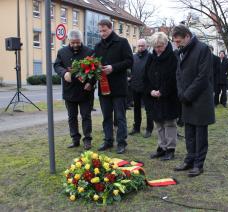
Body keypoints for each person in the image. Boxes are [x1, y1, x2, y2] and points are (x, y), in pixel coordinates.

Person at [173, 25, 215, 177]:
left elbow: (203, 76)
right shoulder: (181, 52)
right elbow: (178, 74)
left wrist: (187, 94)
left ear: (187, 36)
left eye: (179, 41)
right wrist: (180, 93)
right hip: (186, 98)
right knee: (189, 132)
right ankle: (189, 159)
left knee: (200, 134)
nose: (177, 45)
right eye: (175, 42)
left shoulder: (203, 49)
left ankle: (199, 164)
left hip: (200, 99)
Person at [94, 19, 133, 154]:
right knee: (106, 117)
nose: (102, 33)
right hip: (103, 88)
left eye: (104, 30)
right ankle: (108, 140)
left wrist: (113, 68)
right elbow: (94, 64)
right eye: (100, 31)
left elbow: (129, 61)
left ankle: (121, 142)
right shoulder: (98, 46)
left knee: (120, 117)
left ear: (111, 28)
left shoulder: (122, 42)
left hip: (119, 88)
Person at [54, 29, 94, 150]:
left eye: (77, 42)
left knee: (86, 116)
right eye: (73, 43)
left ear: (81, 40)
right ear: (68, 41)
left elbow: (95, 69)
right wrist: (64, 72)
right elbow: (57, 65)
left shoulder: (89, 51)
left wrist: (91, 83)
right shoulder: (62, 52)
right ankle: (75, 139)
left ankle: (87, 140)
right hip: (69, 90)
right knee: (72, 117)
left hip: (85, 91)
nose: (75, 45)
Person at [143, 32, 179, 160]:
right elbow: (145, 76)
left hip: (169, 97)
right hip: (154, 97)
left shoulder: (173, 57)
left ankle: (170, 148)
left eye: (161, 46)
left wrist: (162, 91)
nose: (158, 49)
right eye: (156, 46)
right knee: (158, 123)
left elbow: (173, 78)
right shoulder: (151, 57)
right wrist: (150, 91)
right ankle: (161, 147)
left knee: (169, 123)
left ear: (166, 44)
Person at [129, 39, 154, 138]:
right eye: (139, 46)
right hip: (135, 86)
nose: (140, 47)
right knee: (136, 109)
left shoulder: (151, 57)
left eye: (142, 46)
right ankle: (136, 128)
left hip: (147, 88)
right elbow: (131, 70)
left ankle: (149, 129)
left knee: (149, 109)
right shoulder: (133, 57)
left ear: (146, 46)